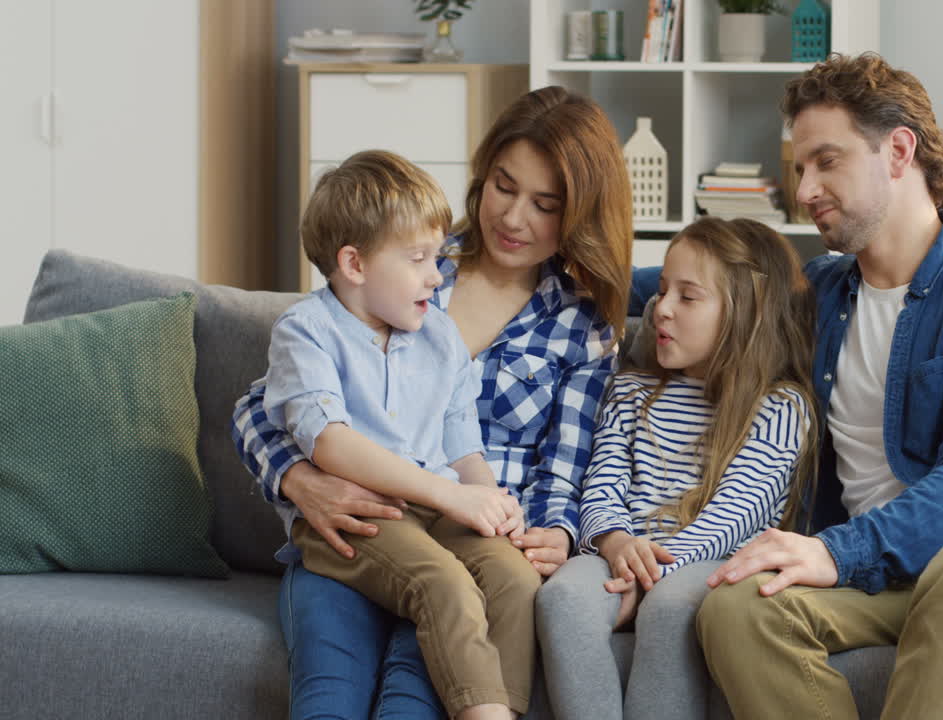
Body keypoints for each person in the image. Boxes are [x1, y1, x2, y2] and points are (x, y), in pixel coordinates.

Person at [635, 52, 943, 719]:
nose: (805, 189)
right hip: (899, 568)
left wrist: (836, 551)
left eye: (826, 161)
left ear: (898, 151)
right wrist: (556, 271)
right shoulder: (821, 294)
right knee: (739, 607)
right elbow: (699, 285)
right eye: (800, 168)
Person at [231, 86, 633, 719]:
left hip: (468, 539)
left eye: (545, 204)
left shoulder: (581, 327)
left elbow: (563, 465)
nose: (514, 218)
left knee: (418, 697)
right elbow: (264, 406)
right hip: (359, 525)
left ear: (579, 213)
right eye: (504, 186)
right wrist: (301, 481)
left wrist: (550, 532)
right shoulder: (408, 255)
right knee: (332, 693)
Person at [262, 149, 537, 720]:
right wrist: (449, 496)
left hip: (432, 512)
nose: (436, 275)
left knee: (514, 577)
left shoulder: (439, 335)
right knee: (445, 584)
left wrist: (492, 503)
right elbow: (329, 442)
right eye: (418, 258)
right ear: (354, 264)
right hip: (358, 513)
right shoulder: (306, 332)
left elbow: (462, 443)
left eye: (437, 256)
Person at [536, 217, 819, 720]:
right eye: (663, 289)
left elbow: (733, 518)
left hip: (710, 561)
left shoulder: (780, 409)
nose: (660, 308)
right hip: (620, 550)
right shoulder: (630, 390)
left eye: (687, 297)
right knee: (561, 598)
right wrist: (616, 545)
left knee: (671, 607)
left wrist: (651, 574)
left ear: (746, 314)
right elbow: (600, 486)